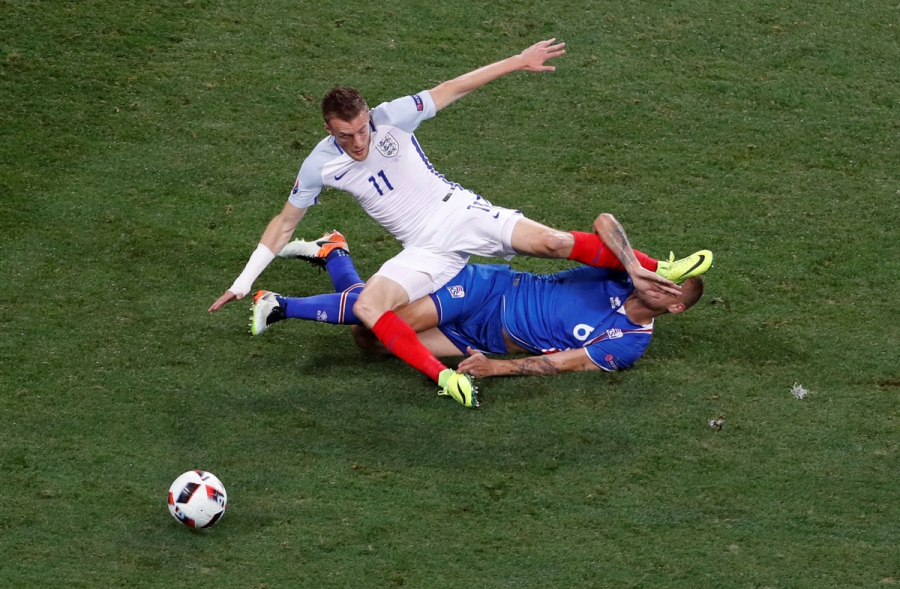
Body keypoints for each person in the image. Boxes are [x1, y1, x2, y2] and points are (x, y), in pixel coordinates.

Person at [209, 39, 712, 407]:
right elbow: (282, 222)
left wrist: (519, 61)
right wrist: (242, 281)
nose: (359, 141)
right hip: (425, 249)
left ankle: (655, 266)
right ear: (329, 129)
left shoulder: (393, 116)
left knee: (554, 242)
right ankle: (440, 372)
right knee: (370, 314)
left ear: (368, 115)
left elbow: (450, 89)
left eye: (363, 128)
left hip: (459, 211)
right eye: (347, 134)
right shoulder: (320, 164)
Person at [250, 214, 710, 406]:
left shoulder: (627, 345)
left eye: (669, 287)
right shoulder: (625, 274)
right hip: (488, 290)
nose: (660, 283)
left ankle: (334, 252)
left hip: (482, 339)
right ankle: (280, 305)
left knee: (370, 340)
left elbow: (560, 364)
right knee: (387, 317)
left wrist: (495, 368)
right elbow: (604, 223)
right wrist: (637, 263)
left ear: (676, 308)